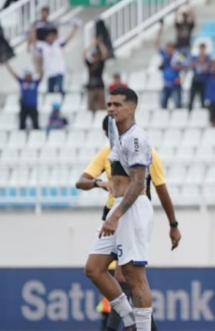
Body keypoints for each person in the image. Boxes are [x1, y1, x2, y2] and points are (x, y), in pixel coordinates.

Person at [76, 114, 182, 331]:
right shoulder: (108, 152)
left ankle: (125, 326)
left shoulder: (146, 152)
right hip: (110, 215)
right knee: (99, 271)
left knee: (126, 275)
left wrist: (173, 224)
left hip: (132, 214)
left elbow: (161, 189)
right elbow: (81, 181)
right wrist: (99, 183)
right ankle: (132, 322)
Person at [84, 87, 155, 331]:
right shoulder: (118, 135)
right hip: (120, 207)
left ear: (132, 108)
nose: (111, 109)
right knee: (94, 269)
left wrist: (115, 216)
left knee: (134, 276)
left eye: (117, 104)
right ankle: (130, 320)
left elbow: (138, 183)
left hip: (132, 209)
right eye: (109, 104)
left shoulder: (136, 138)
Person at [36, 22, 79, 96]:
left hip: (59, 71)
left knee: (60, 89)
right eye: (49, 36)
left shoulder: (58, 44)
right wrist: (34, 30)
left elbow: (68, 38)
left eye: (52, 36)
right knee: (50, 92)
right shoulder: (43, 46)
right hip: (50, 72)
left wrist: (74, 29)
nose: (50, 38)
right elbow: (34, 43)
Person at [3, 61, 42, 130]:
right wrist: (7, 65)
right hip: (24, 106)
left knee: (35, 124)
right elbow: (14, 74)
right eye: (26, 74)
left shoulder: (35, 82)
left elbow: (42, 75)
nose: (27, 76)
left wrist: (40, 66)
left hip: (33, 106)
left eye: (29, 74)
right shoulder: (22, 82)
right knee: (22, 124)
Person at [155, 20, 185, 109]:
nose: (169, 50)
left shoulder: (178, 56)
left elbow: (187, 65)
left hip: (175, 85)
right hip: (166, 85)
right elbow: (157, 44)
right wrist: (160, 30)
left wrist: (178, 67)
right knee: (162, 105)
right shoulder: (164, 55)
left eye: (171, 48)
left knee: (178, 105)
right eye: (168, 48)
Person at [85, 35, 110, 112]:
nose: (95, 57)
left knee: (102, 106)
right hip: (91, 88)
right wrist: (91, 44)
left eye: (96, 56)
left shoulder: (100, 64)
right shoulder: (90, 65)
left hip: (99, 87)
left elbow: (105, 53)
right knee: (91, 107)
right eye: (94, 56)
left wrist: (100, 43)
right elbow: (84, 54)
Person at [187, 43, 211, 112]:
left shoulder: (208, 58)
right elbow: (191, 66)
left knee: (202, 97)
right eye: (201, 49)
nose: (202, 51)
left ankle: (203, 111)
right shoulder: (195, 58)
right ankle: (189, 110)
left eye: (203, 49)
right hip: (195, 79)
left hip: (203, 80)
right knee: (192, 96)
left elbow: (207, 69)